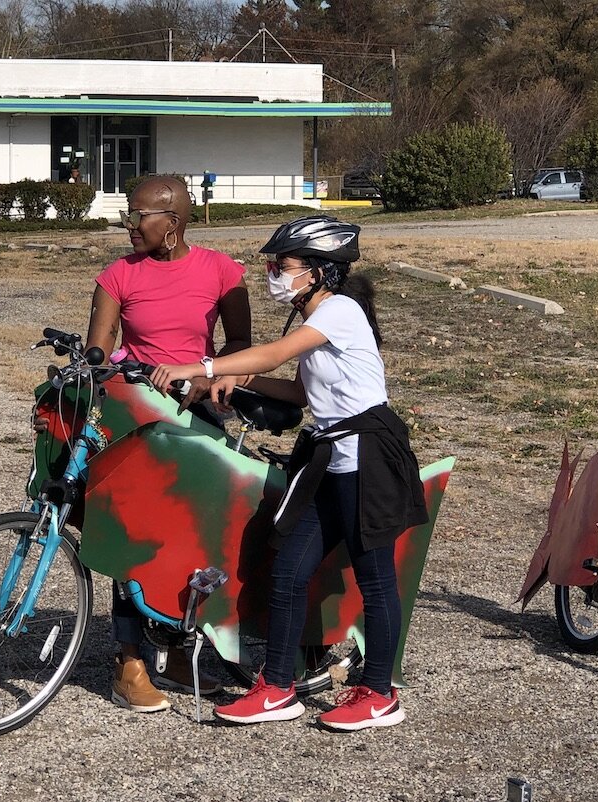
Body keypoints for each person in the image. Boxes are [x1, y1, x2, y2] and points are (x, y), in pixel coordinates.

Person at [151, 215, 427, 731]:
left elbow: (276, 356)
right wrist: (240, 383)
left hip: (368, 458)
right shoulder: (314, 318)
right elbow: (302, 393)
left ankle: (380, 694)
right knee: (288, 571)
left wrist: (204, 366)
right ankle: (278, 687)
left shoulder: (341, 311)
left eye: (284, 265)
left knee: (376, 580)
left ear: (320, 272)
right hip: (327, 460)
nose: (276, 274)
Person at [85, 175, 252, 713]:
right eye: (128, 215)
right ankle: (129, 661)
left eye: (139, 216)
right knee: (130, 534)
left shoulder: (223, 271)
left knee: (198, 538)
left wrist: (213, 379)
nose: (129, 225)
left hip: (198, 411)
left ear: (173, 223)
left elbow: (241, 344)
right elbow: (97, 348)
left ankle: (181, 648)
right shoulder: (116, 275)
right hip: (137, 415)